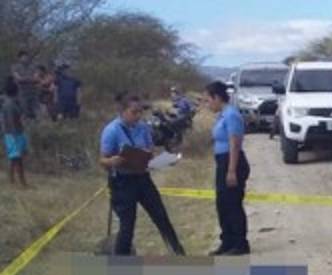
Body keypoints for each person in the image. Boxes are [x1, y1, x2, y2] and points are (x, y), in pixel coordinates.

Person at [98, 93, 186, 255]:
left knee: (161, 217)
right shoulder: (111, 131)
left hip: (142, 178)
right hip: (122, 182)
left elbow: (150, 150)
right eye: (134, 112)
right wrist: (113, 161)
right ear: (122, 111)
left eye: (140, 112)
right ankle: (121, 261)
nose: (138, 115)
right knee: (127, 226)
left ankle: (177, 252)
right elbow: (103, 160)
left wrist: (158, 159)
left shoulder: (143, 127)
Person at [204, 81, 251, 255]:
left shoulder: (231, 115)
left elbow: (234, 143)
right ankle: (227, 241)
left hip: (232, 162)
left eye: (208, 100)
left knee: (232, 204)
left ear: (217, 97)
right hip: (222, 161)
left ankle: (240, 243)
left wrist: (231, 170)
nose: (207, 104)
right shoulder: (222, 115)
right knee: (222, 203)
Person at [3, 78, 29, 188]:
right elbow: (11, 122)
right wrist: (15, 137)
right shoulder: (9, 105)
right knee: (18, 159)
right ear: (15, 92)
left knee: (13, 159)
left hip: (15, 134)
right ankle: (23, 183)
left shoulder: (12, 103)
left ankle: (12, 181)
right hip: (14, 134)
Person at [10, 51, 38, 120]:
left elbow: (36, 78)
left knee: (36, 111)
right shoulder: (15, 67)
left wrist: (25, 79)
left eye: (26, 56)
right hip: (22, 93)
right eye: (23, 57)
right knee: (25, 111)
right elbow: (18, 79)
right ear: (19, 58)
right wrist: (30, 79)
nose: (25, 58)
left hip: (33, 92)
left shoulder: (32, 66)